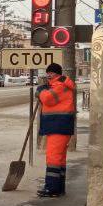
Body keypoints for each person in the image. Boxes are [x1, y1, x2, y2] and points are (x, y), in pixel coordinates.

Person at [37, 62, 76, 197]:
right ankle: (58, 188)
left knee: (53, 157)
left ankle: (51, 188)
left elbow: (48, 99)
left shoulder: (60, 86)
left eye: (51, 73)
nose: (48, 75)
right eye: (48, 73)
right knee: (59, 159)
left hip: (58, 125)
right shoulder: (59, 85)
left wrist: (41, 91)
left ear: (57, 74)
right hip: (59, 125)